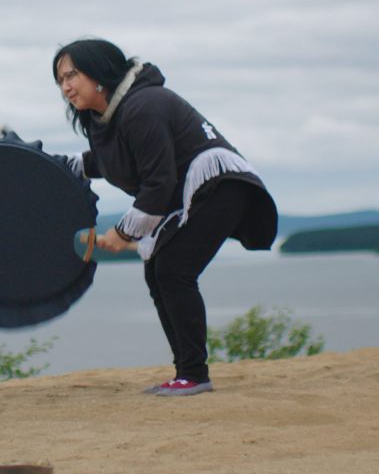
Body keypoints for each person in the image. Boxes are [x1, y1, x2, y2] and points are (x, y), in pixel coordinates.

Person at [53, 39, 277, 396]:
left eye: (72, 75)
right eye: (60, 79)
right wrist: (53, 167)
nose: (65, 86)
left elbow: (159, 182)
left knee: (173, 270)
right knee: (161, 272)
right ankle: (188, 373)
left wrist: (123, 233)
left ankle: (194, 375)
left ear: (99, 73)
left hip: (220, 185)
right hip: (190, 192)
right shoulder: (105, 118)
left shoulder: (143, 105)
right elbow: (107, 161)